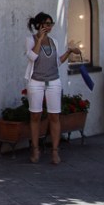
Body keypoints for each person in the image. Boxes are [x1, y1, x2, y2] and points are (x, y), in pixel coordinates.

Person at [24, 12, 79, 164]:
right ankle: (35, 149)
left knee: (54, 116)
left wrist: (69, 52)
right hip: (36, 82)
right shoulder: (30, 40)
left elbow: (57, 62)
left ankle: (55, 151)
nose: (49, 27)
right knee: (35, 116)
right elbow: (32, 57)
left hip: (53, 81)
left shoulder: (54, 41)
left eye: (51, 24)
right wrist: (39, 40)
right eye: (47, 24)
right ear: (39, 25)